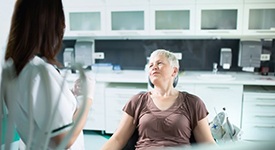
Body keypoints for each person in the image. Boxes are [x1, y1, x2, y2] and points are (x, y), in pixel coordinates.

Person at [1, 0, 95, 149]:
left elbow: (38, 111)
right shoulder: (39, 74)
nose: (63, 26)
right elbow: (65, 139)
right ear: (50, 25)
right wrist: (87, 99)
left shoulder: (18, 66)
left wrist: (70, 95)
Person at [101, 49, 215, 150]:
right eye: (151, 65)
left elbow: (208, 144)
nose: (154, 67)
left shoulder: (193, 103)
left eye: (159, 63)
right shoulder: (137, 101)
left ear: (174, 71)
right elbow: (117, 139)